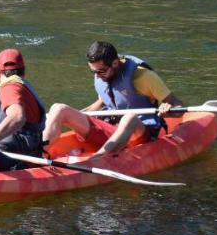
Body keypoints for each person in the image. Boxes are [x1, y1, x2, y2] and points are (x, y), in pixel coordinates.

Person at [42, 41, 184, 157]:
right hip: (112, 129)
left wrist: (169, 109)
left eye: (100, 71)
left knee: (129, 117)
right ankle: (37, 152)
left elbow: (178, 106)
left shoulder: (143, 77)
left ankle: (98, 158)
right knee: (59, 108)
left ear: (115, 63)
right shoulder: (103, 75)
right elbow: (102, 101)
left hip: (138, 133)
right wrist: (69, 116)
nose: (97, 76)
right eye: (93, 72)